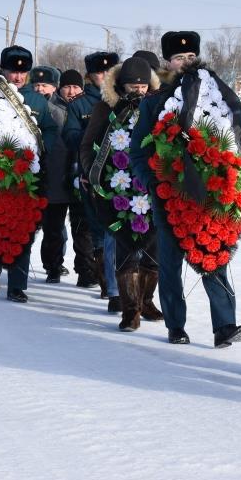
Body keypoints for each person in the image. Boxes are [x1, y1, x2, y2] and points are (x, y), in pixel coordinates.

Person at [129, 31, 241, 348]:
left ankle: (224, 326)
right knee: (169, 263)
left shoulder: (218, 96)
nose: (186, 62)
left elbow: (236, 137)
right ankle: (176, 325)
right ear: (168, 62)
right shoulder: (155, 101)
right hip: (170, 196)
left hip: (209, 194)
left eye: (191, 57)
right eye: (179, 58)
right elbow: (138, 152)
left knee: (214, 253)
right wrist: (155, 181)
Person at [80, 56, 163, 329]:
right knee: (126, 249)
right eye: (132, 87)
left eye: (142, 87)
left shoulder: (159, 107)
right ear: (121, 85)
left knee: (153, 251)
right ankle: (129, 310)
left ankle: (146, 301)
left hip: (151, 187)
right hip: (118, 188)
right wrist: (96, 176)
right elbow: (89, 144)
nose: (137, 92)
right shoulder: (106, 108)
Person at [0, 45, 59, 302]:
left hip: (28, 174)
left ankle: (17, 285)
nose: (18, 77)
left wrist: (41, 148)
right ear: (3, 70)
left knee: (22, 229)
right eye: (13, 71)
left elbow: (49, 129)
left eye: (23, 71)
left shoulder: (36, 100)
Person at [64, 51, 120, 296]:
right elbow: (70, 135)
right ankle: (107, 283)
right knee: (97, 229)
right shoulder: (80, 104)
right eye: (100, 72)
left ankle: (120, 283)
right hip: (91, 173)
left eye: (109, 71)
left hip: (120, 174)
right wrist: (95, 135)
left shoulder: (123, 98)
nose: (105, 76)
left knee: (118, 229)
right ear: (90, 76)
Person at [38, 67, 94, 286]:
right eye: (67, 86)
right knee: (53, 228)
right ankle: (52, 267)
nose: (71, 91)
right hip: (55, 176)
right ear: (60, 88)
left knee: (83, 229)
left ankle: (86, 271)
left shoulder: (89, 108)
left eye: (75, 87)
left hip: (81, 176)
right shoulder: (50, 109)